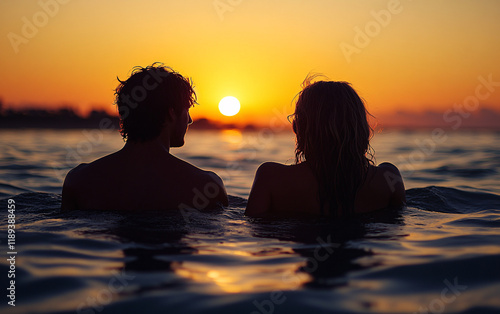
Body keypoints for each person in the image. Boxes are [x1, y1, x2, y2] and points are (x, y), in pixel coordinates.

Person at [62, 64, 228, 211]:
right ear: (171, 113)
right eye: (187, 111)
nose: (190, 120)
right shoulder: (206, 186)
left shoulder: (78, 180)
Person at [245, 78, 405, 217]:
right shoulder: (388, 180)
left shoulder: (271, 179)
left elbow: (253, 234)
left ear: (298, 128)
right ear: (362, 128)